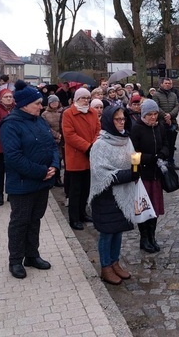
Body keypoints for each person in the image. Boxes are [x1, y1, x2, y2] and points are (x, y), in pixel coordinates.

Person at [0, 80, 59, 279]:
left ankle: (32, 255)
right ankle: (15, 260)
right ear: (24, 104)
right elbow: (13, 157)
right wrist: (41, 171)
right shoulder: (11, 124)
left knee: (35, 220)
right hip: (23, 184)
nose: (41, 106)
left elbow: (52, 145)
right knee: (20, 222)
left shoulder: (40, 121)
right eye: (37, 103)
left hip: (42, 182)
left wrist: (54, 166)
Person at [88, 105, 139, 285]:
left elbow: (132, 159)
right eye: (117, 119)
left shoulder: (125, 139)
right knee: (107, 233)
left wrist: (136, 167)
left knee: (118, 231)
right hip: (106, 194)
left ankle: (115, 262)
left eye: (123, 119)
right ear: (109, 120)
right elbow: (100, 172)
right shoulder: (100, 144)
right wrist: (129, 174)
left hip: (122, 192)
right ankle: (105, 267)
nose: (121, 122)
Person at [129, 99, 169, 253]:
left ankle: (152, 236)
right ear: (144, 115)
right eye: (150, 114)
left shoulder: (159, 127)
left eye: (155, 114)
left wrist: (163, 153)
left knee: (155, 208)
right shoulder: (137, 129)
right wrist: (150, 158)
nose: (153, 117)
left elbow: (166, 143)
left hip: (156, 174)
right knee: (145, 208)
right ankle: (144, 238)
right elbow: (133, 154)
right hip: (143, 174)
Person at [62, 87, 101, 230]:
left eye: (87, 98)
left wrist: (94, 144)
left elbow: (98, 130)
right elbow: (69, 135)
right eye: (82, 98)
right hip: (76, 156)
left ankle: (83, 212)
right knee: (75, 190)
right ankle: (74, 218)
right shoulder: (68, 114)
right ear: (76, 100)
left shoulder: (92, 113)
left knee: (86, 188)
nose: (85, 101)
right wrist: (87, 146)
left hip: (90, 155)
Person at [153, 77, 179, 170]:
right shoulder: (156, 95)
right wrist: (165, 116)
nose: (168, 85)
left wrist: (170, 115)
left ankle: (171, 161)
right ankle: (162, 161)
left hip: (172, 123)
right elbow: (156, 107)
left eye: (169, 83)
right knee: (163, 144)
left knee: (172, 144)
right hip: (161, 123)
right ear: (161, 84)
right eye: (166, 83)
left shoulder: (173, 95)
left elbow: (177, 106)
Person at [41, 94, 64, 187]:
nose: (54, 104)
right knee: (52, 159)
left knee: (60, 159)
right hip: (51, 139)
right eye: (52, 102)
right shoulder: (44, 114)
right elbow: (46, 128)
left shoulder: (62, 112)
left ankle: (58, 178)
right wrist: (57, 135)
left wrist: (62, 135)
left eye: (56, 102)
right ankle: (52, 178)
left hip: (62, 138)